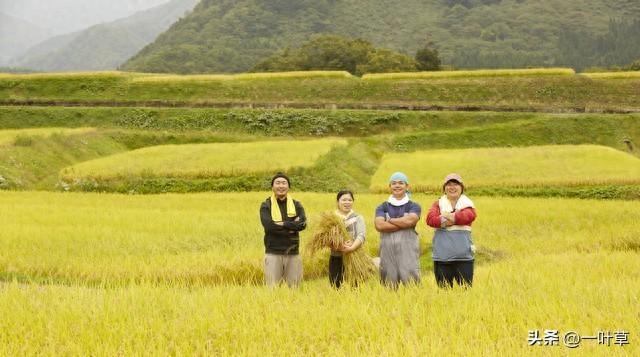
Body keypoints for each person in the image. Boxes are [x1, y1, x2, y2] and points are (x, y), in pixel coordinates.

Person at [426, 173, 477, 288]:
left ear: (461, 188)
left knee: (466, 292)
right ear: (444, 188)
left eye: (455, 184)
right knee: (444, 294)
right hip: (442, 257)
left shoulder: (468, 205)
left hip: (464, 257)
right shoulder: (438, 204)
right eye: (448, 184)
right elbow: (430, 219)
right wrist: (454, 219)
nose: (452, 187)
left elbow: (469, 216)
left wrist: (445, 217)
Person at [374, 172, 422, 288]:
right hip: (387, 253)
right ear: (389, 186)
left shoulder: (413, 206)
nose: (397, 186)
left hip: (408, 252)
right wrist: (403, 222)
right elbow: (379, 225)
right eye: (394, 183)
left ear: (407, 186)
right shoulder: (382, 206)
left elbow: (410, 221)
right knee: (388, 285)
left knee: (412, 285)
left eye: (401, 183)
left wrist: (390, 220)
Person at [259, 172, 307, 288]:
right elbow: (269, 226)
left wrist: (282, 223)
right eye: (278, 183)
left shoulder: (296, 205)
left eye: (284, 183)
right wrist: (292, 226)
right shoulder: (266, 205)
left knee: (294, 288)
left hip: (293, 253)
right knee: (272, 289)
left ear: (288, 187)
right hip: (273, 252)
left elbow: (302, 224)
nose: (281, 186)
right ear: (272, 187)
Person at [329, 190, 366, 289]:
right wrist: (339, 245)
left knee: (355, 287)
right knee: (335, 287)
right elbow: (325, 238)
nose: (347, 202)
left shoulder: (358, 218)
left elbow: (361, 235)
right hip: (336, 257)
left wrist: (352, 247)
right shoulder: (331, 218)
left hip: (355, 256)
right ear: (338, 202)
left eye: (350, 200)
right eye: (344, 200)